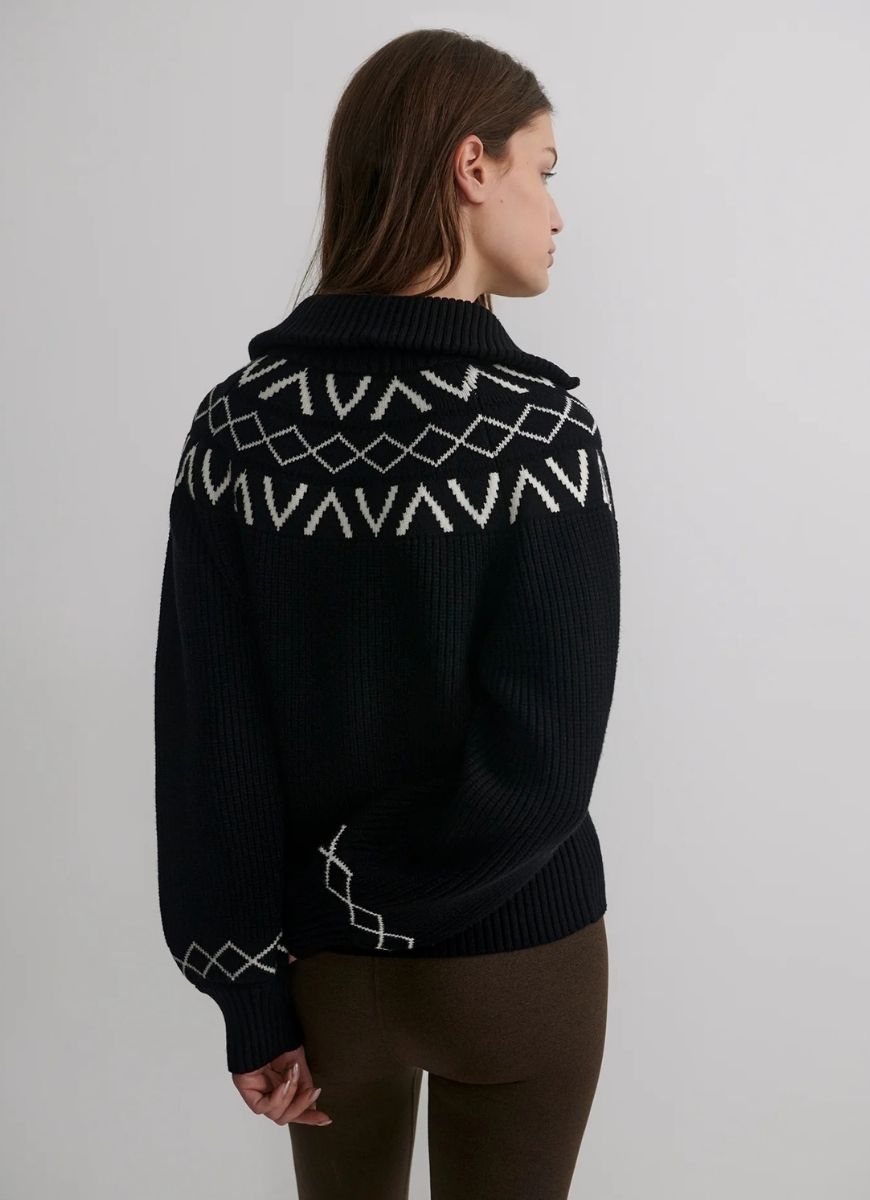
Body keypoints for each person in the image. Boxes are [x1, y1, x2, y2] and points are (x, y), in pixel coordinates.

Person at [154, 27, 621, 1200]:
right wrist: (364, 890)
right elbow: (545, 764)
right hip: (517, 962)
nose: (558, 212)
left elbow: (210, 740)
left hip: (320, 979)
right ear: (473, 166)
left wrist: (252, 979)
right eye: (544, 168)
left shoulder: (236, 431)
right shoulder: (541, 438)